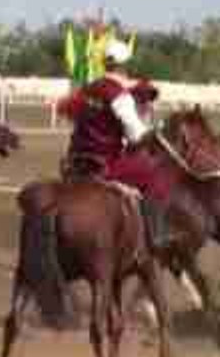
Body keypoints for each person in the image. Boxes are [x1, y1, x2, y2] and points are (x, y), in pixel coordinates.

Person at [61, 39, 173, 250]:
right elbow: (135, 135)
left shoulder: (87, 89)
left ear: (105, 63)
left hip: (75, 161)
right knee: (159, 173)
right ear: (124, 65)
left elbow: (72, 116)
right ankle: (157, 235)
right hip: (107, 164)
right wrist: (154, 133)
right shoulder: (118, 94)